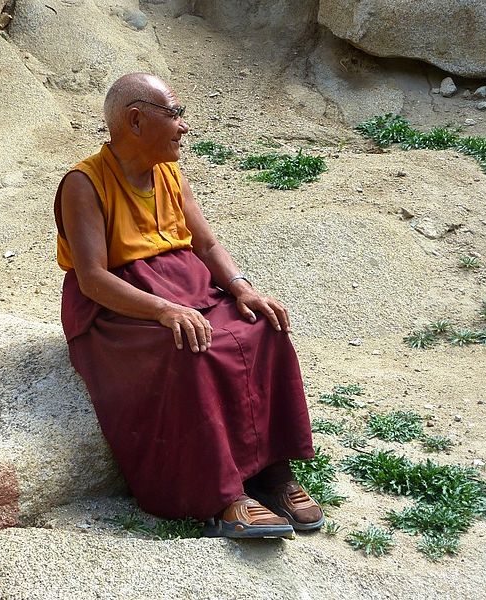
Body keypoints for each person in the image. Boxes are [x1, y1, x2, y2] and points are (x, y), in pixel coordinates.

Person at [54, 72, 323, 539]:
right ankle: (222, 497)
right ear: (135, 121)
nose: (183, 127)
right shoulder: (84, 183)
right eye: (174, 114)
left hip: (187, 287)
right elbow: (94, 277)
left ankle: (272, 472)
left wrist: (242, 288)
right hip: (122, 306)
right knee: (188, 348)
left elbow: (206, 243)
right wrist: (162, 310)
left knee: (263, 327)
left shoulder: (169, 172)